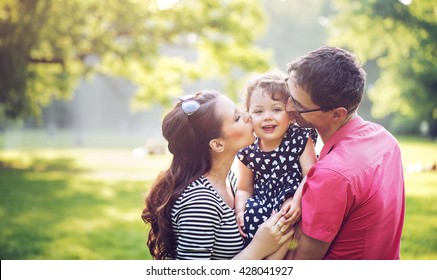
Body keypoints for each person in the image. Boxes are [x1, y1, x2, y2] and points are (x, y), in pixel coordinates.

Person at [284, 46, 405, 260]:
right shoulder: (386, 140)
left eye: (298, 105)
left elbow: (300, 263)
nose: (287, 108)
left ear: (336, 114)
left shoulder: (331, 174)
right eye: (288, 93)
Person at [141, 90, 294, 260]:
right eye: (237, 118)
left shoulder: (231, 182)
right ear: (218, 144)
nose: (248, 116)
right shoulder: (200, 201)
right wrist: (258, 248)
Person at [235, 70, 317, 255]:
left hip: (292, 200)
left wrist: (297, 201)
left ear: (290, 115)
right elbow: (244, 188)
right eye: (258, 111)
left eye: (276, 109)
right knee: (251, 217)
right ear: (249, 116)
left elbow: (311, 173)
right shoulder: (248, 150)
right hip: (262, 203)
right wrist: (240, 211)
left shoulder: (299, 138)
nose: (267, 116)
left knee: (284, 220)